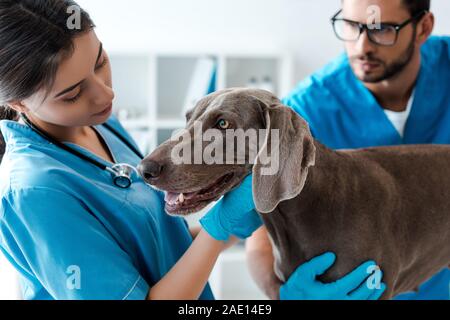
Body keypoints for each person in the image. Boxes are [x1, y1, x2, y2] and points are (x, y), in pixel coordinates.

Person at [0, 0, 386, 300]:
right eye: (72, 93)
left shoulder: (97, 123)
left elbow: (150, 240)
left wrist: (222, 224)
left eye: (100, 61)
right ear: (18, 104)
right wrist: (219, 231)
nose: (106, 94)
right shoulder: (34, 193)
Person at [245, 0, 450, 300]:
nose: (361, 46)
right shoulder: (305, 112)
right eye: (352, 26)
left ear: (423, 28)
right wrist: (282, 295)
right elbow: (262, 228)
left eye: (382, 29)